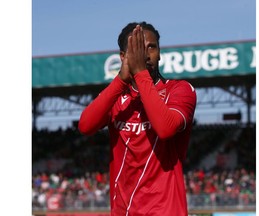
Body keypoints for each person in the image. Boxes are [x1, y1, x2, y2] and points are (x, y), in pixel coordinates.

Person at [78, 21, 197, 216]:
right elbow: (85, 126)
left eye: (151, 47)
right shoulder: (117, 97)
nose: (145, 54)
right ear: (124, 57)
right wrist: (120, 81)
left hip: (166, 210)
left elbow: (165, 129)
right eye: (138, 48)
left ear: (159, 53)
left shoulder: (180, 90)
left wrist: (140, 73)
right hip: (123, 211)